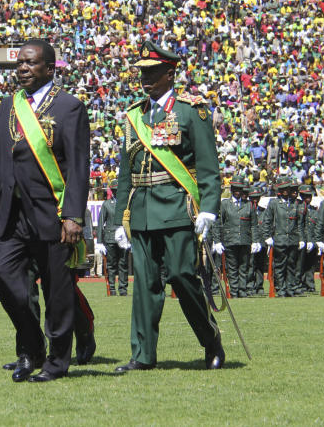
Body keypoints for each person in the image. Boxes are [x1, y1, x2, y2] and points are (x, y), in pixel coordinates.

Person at [110, 40, 224, 373]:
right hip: (143, 209)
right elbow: (125, 173)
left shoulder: (191, 110)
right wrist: (120, 219)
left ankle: (210, 338)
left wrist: (208, 209)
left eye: (153, 72)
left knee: (181, 275)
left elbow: (207, 165)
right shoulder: (136, 115)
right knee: (145, 284)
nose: (145, 79)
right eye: (142, 72)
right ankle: (143, 355)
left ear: (170, 73)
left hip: (177, 206)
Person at [0, 39, 90, 382]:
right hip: (12, 214)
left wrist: (73, 215)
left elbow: (78, 167)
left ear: (49, 69)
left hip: (52, 214)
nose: (23, 69)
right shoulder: (8, 106)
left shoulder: (70, 107)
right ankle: (31, 347)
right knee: (4, 276)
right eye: (19, 64)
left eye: (30, 64)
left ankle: (56, 362)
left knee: (57, 292)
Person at [257, 178, 303, 297]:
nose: (285, 191)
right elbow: (266, 221)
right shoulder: (274, 203)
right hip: (279, 239)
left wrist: (301, 238)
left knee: (291, 265)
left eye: (287, 188)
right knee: (280, 266)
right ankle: (280, 288)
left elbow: (299, 223)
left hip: (292, 239)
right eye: (282, 189)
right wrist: (267, 236)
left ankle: (290, 288)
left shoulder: (295, 203)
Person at [214, 176, 255, 298]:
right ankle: (234, 290)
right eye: (235, 189)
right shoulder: (225, 204)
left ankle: (242, 290)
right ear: (231, 189)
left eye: (240, 189)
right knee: (232, 268)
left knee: (244, 267)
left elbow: (254, 225)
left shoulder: (249, 204)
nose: (238, 191)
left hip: (244, 240)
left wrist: (256, 241)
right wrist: (217, 241)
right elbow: (218, 223)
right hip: (230, 240)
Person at [97, 180, 129, 296]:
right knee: (111, 264)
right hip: (110, 237)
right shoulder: (106, 204)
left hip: (124, 239)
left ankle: (123, 289)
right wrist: (99, 241)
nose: (116, 192)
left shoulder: (126, 204)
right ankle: (111, 288)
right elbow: (101, 222)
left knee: (123, 264)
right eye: (114, 190)